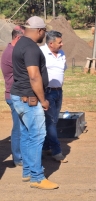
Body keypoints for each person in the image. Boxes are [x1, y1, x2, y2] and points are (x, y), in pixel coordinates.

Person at [11, 16, 58, 190]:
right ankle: (37, 177)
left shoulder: (20, 43)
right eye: (44, 31)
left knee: (27, 135)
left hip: (19, 96)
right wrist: (43, 100)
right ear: (39, 30)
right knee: (37, 136)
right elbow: (34, 76)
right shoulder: (31, 48)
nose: (44, 34)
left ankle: (28, 172)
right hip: (29, 99)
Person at [40, 30, 68, 163]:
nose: (62, 44)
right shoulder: (41, 52)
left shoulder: (61, 53)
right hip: (47, 92)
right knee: (51, 121)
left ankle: (45, 147)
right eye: (59, 42)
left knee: (53, 121)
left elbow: (63, 69)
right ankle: (56, 151)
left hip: (58, 91)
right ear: (51, 43)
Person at [1, 25, 25, 166]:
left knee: (21, 126)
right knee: (19, 127)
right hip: (14, 95)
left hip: (15, 94)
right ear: (18, 37)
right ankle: (18, 158)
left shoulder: (11, 50)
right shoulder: (12, 53)